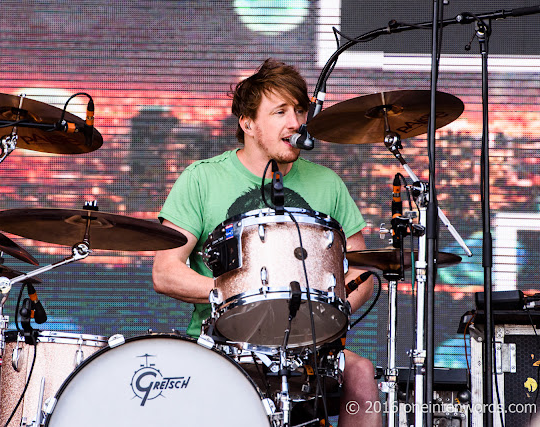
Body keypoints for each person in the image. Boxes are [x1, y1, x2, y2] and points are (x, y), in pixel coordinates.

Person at [152, 58, 381, 426]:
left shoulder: (327, 183)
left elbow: (362, 266)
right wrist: (238, 293)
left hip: (308, 349)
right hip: (221, 345)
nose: (295, 122)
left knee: (362, 374)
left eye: (300, 110)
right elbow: (165, 272)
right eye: (280, 112)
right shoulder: (201, 179)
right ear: (248, 123)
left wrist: (335, 309)